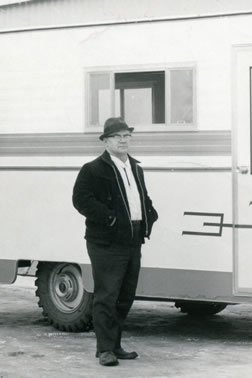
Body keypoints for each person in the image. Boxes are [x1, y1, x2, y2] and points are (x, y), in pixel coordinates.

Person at [72, 117, 158, 367]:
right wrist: (109, 219)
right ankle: (105, 350)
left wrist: (150, 213)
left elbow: (141, 197)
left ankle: (115, 344)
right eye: (117, 137)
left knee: (124, 296)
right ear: (106, 141)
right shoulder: (93, 169)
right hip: (106, 243)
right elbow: (81, 200)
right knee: (107, 296)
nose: (123, 140)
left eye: (127, 136)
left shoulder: (136, 168)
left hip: (133, 239)